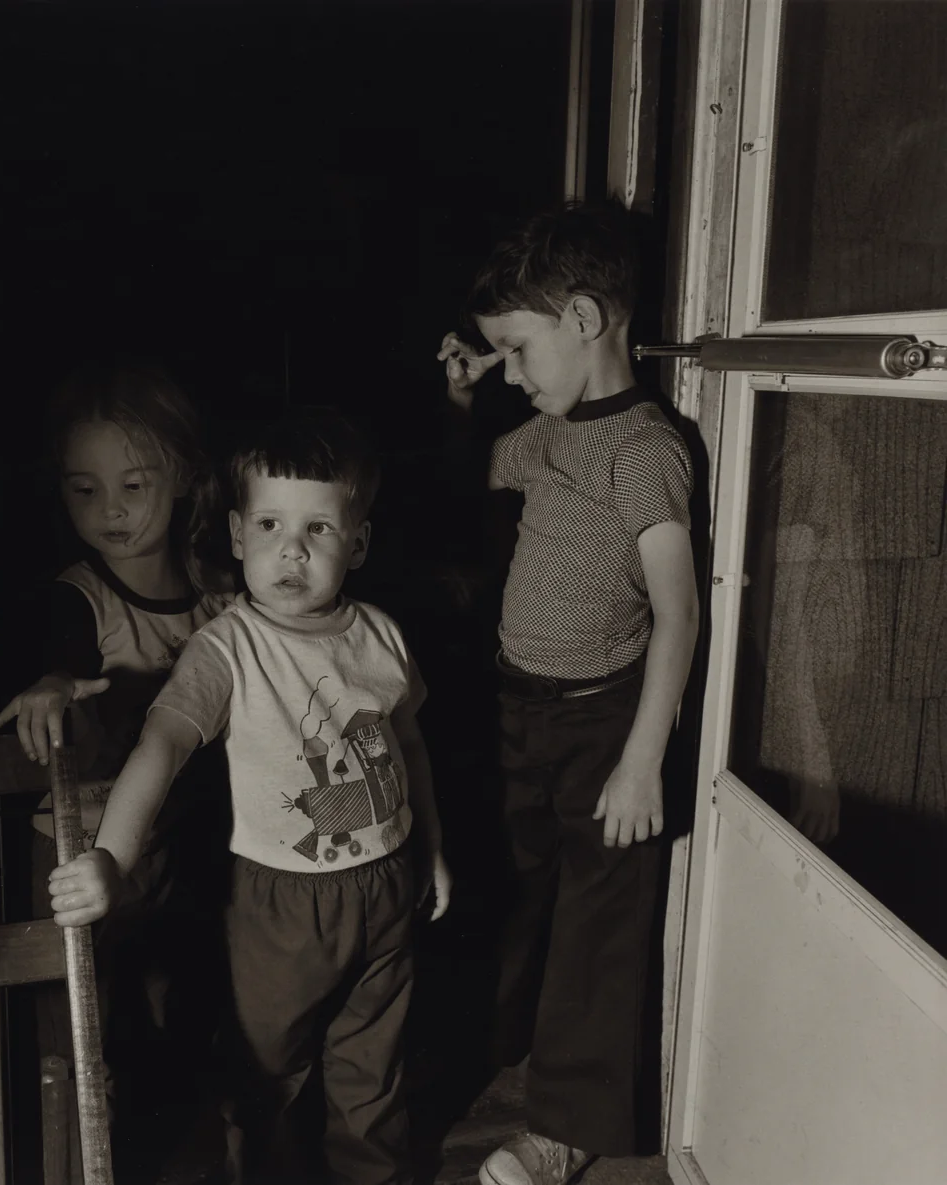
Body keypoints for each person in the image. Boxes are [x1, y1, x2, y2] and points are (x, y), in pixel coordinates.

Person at [48, 410, 453, 1185]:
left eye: (319, 528)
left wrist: (431, 846)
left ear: (358, 543)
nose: (291, 547)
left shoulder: (381, 635)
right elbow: (158, 748)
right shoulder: (227, 648)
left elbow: (409, 749)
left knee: (375, 1069)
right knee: (267, 1076)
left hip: (387, 885)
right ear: (237, 535)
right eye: (269, 523)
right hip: (282, 903)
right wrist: (110, 853)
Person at [436, 201, 699, 1185]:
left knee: (598, 922)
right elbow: (473, 489)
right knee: (521, 893)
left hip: (601, 721)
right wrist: (464, 407)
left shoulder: (645, 452)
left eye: (517, 349)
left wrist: (640, 763)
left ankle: (568, 1129)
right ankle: (518, 1068)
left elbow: (677, 613)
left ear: (585, 320)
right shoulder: (552, 435)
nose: (512, 371)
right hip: (520, 710)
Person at [0, 360, 234, 1139]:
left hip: (181, 844)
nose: (109, 510)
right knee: (90, 1032)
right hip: (82, 848)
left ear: (187, 475)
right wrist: (53, 684)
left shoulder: (215, 587)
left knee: (187, 1010)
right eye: (82, 489)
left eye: (132, 484)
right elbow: (62, 663)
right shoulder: (78, 593)